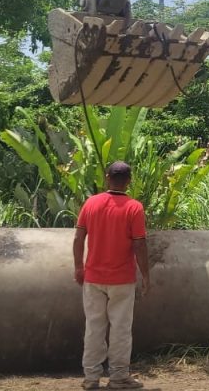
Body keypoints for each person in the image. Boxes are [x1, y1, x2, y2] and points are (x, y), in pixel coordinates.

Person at [73, 161, 150, 390]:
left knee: (94, 326)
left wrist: (79, 267)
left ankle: (91, 378)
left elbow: (78, 239)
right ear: (129, 181)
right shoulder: (134, 207)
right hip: (122, 279)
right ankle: (118, 377)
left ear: (107, 177)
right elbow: (140, 245)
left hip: (93, 277)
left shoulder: (91, 203)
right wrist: (146, 275)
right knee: (120, 328)